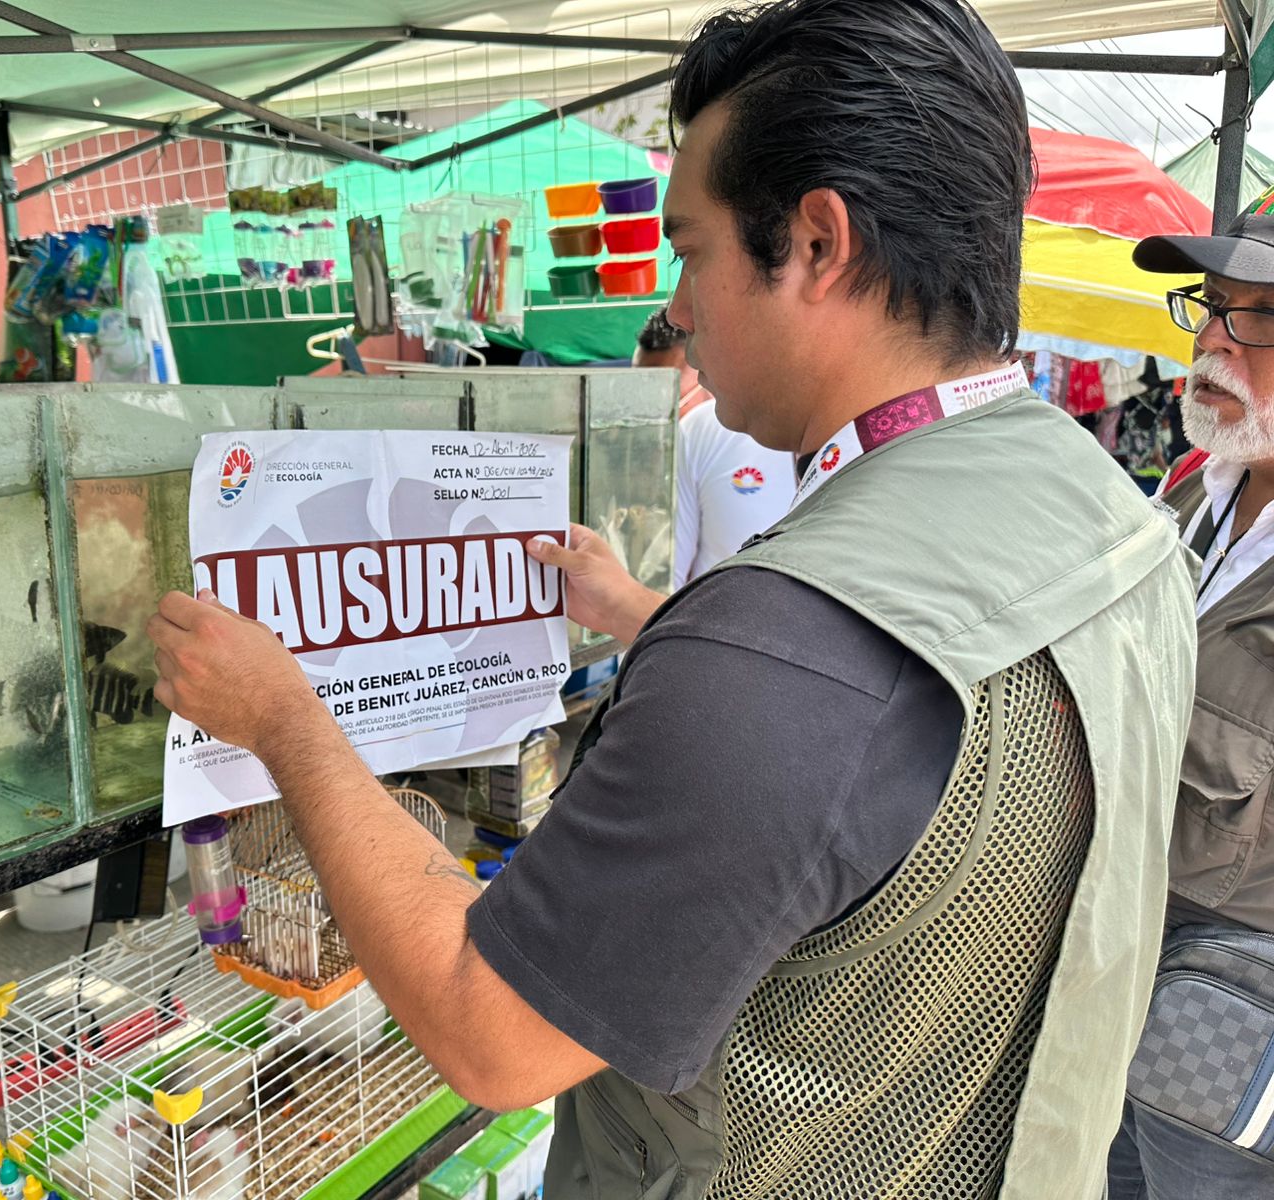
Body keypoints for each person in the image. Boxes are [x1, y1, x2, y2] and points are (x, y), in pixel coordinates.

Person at [149, 2, 1196, 1196]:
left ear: (816, 243)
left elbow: (491, 1034)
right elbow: (872, 755)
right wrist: (642, 614)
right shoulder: (1117, 520)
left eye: (691, 252)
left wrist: (284, 718)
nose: (679, 309)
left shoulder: (778, 645)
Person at [1108, 189, 1274, 1197]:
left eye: (1259, 316)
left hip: (1232, 1046)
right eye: (1211, 307)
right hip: (1116, 1000)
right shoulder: (1192, 492)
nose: (1212, 341)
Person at [632, 306, 794, 586]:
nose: (653, 418)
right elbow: (661, 581)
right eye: (640, 399)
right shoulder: (640, 457)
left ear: (708, 378)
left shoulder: (705, 433)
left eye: (667, 398)